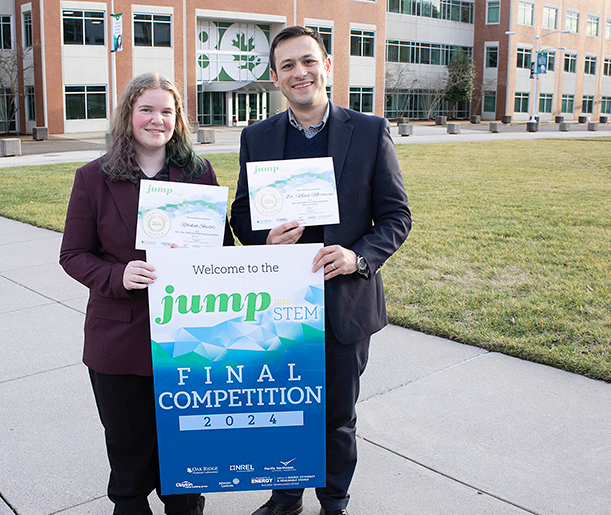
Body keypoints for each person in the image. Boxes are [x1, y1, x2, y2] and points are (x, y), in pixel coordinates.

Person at [230, 27, 412, 515]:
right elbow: (242, 215)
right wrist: (262, 240)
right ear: (274, 78)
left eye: (307, 61)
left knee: (336, 416)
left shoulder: (370, 131)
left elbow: (397, 216)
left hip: (344, 302)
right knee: (282, 412)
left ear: (327, 65)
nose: (299, 72)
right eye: (287, 65)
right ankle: (286, 496)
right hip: (280, 304)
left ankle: (334, 500)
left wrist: (358, 257)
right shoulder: (257, 137)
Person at [60, 72, 230, 515]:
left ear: (178, 120)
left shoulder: (198, 172)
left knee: (185, 454)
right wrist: (119, 276)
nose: (157, 120)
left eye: (167, 112)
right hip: (119, 340)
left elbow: (221, 250)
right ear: (128, 116)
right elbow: (74, 254)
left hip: (189, 338)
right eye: (147, 110)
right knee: (128, 448)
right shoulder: (92, 178)